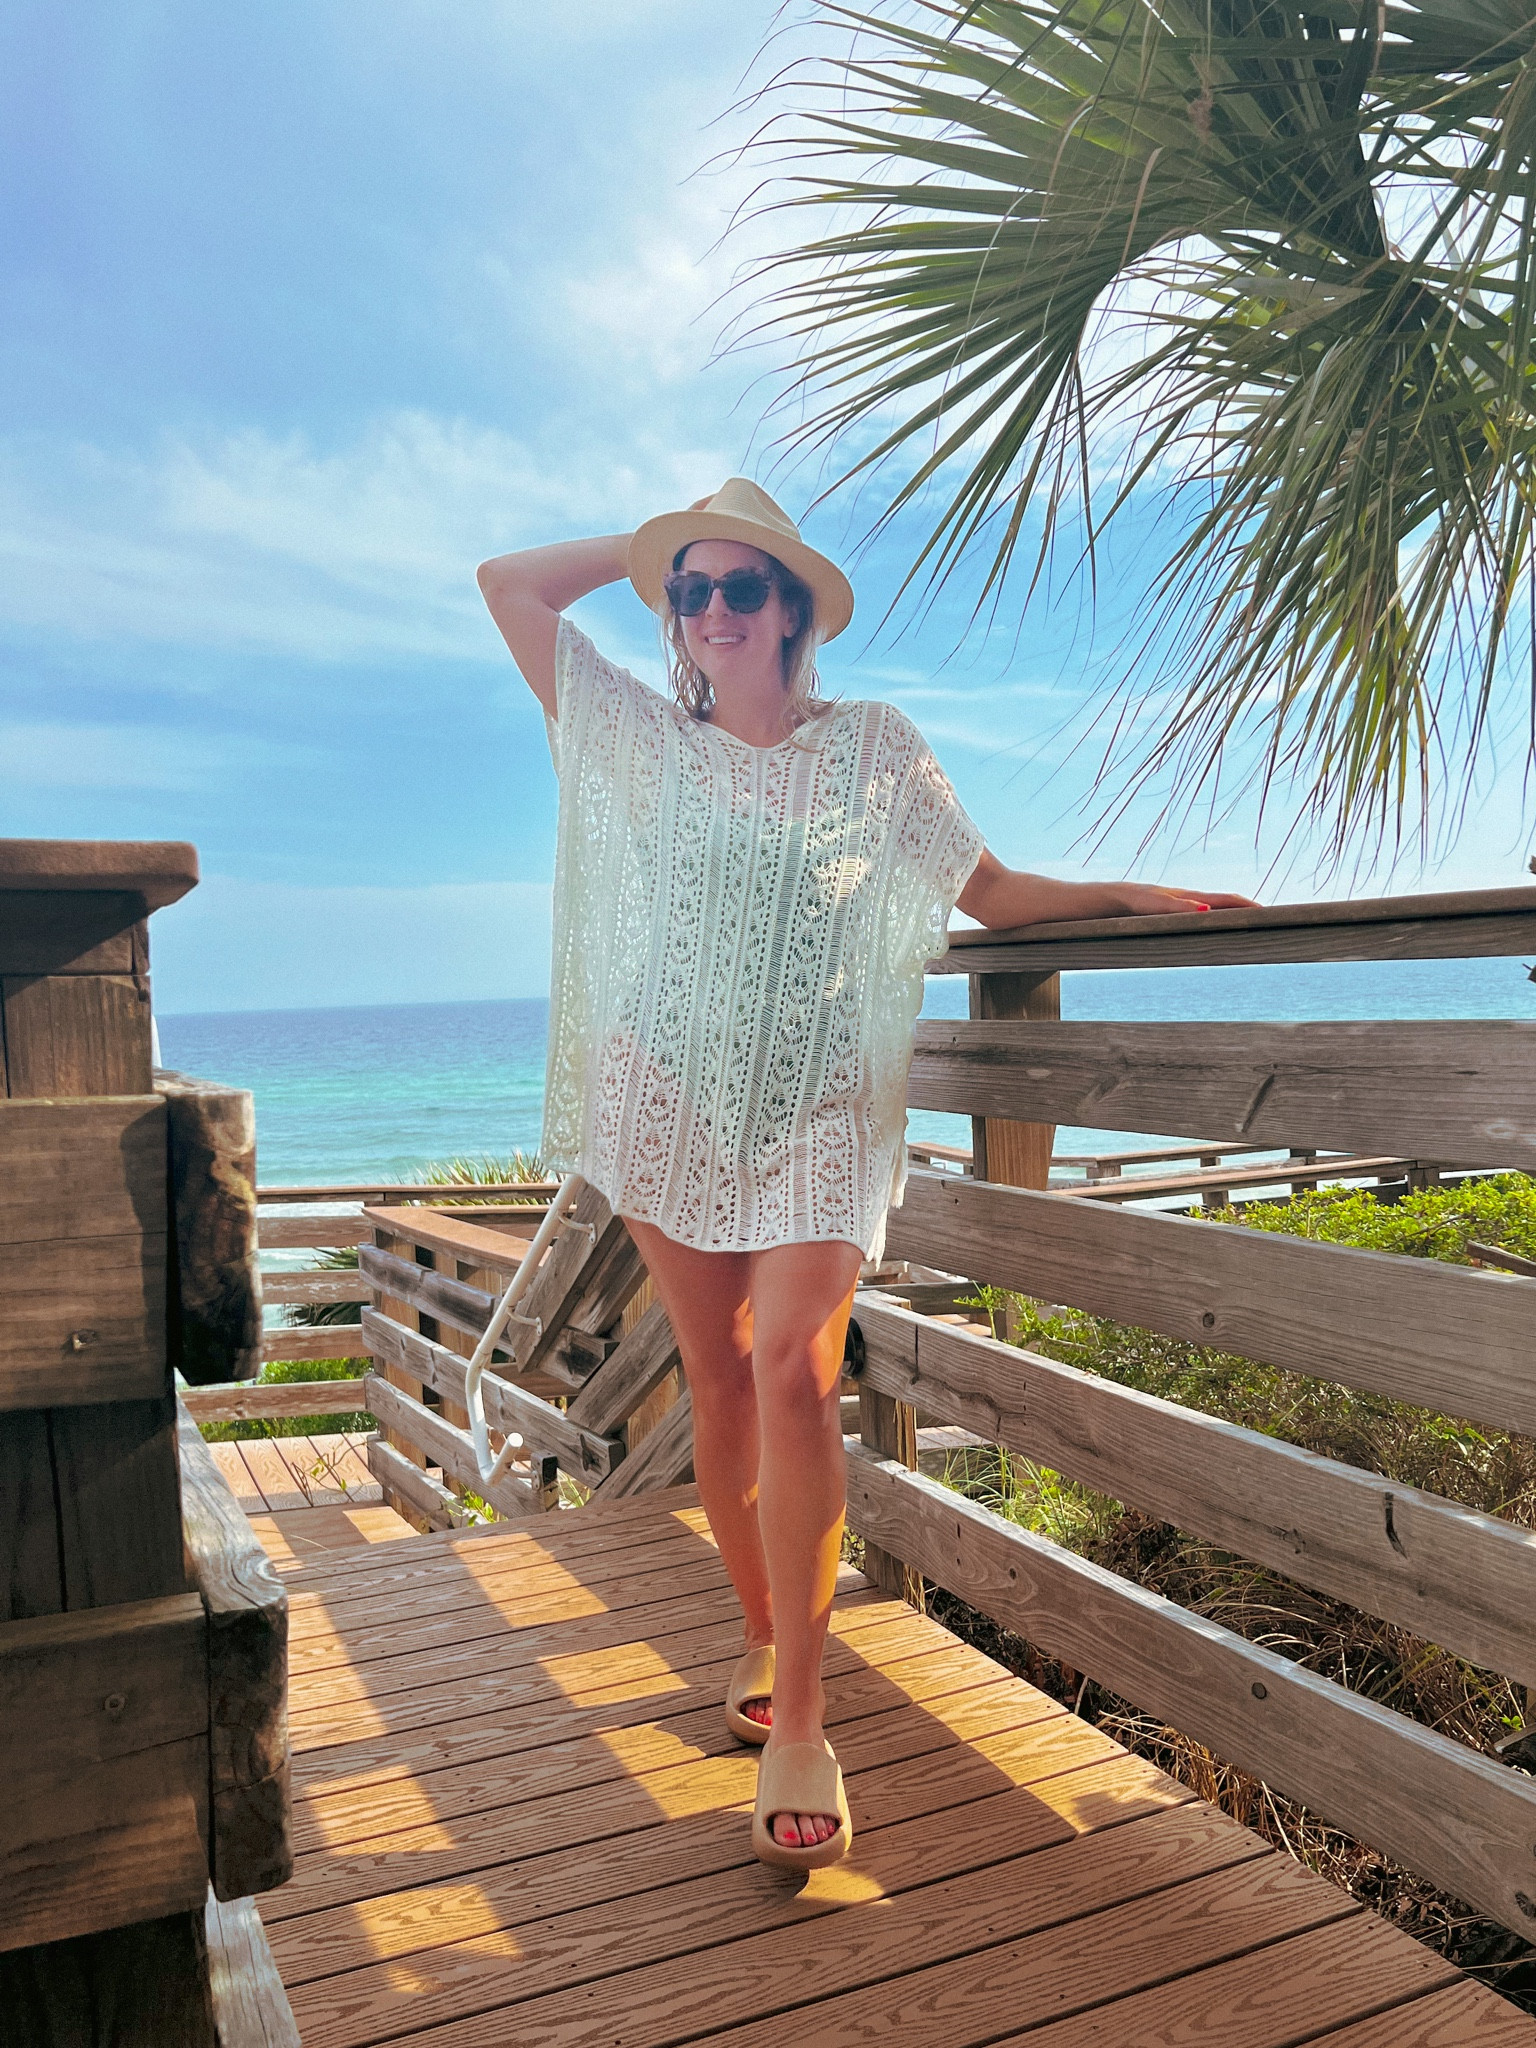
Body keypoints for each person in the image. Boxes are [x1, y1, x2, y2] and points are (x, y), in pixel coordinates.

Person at [477, 478, 1252, 1871]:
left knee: (791, 1373)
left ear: (794, 610)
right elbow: (508, 586)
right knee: (714, 1379)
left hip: (823, 1113)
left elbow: (993, 895)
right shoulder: (638, 737)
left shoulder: (875, 750)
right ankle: (764, 1634)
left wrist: (1137, 896)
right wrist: (649, 537)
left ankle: (803, 1718)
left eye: (741, 587)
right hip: (668, 1102)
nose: (713, 611)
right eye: (689, 591)